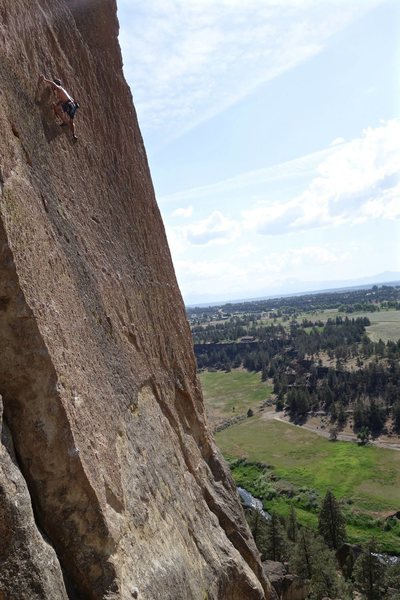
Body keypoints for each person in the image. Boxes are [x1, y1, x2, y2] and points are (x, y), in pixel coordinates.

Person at [39, 74, 79, 140]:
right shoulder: (62, 91)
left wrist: (45, 79)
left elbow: (53, 83)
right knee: (71, 121)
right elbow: (63, 101)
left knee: (57, 108)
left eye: (53, 86)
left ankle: (64, 122)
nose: (52, 87)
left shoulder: (59, 88)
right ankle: (73, 135)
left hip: (69, 104)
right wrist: (55, 106)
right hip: (73, 106)